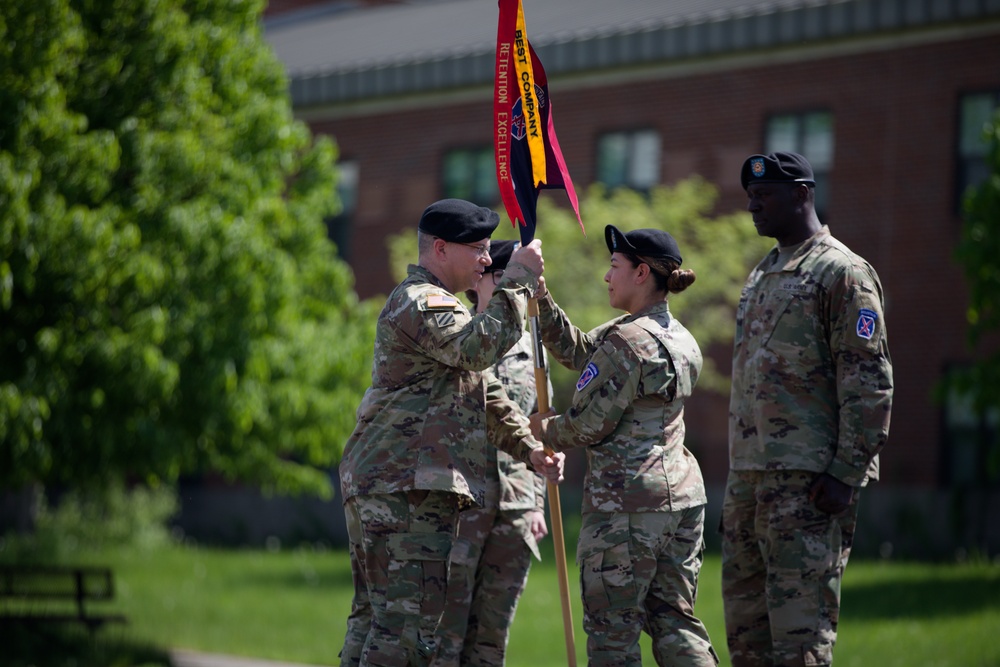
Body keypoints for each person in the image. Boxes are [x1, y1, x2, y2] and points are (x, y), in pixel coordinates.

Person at [338, 199, 565, 667]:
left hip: (398, 482)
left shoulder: (441, 307)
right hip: (405, 486)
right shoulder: (424, 301)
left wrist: (530, 451)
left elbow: (487, 394)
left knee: (377, 621)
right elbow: (480, 349)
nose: (487, 260)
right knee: (404, 629)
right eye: (479, 249)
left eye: (490, 251)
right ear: (440, 249)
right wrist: (519, 276)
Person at [722, 152, 894, 667]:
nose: (753, 205)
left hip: (808, 483)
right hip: (750, 478)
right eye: (750, 196)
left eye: (765, 195)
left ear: (802, 194)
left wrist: (847, 472)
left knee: (800, 638)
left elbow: (869, 380)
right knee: (747, 639)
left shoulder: (842, 271)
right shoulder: (764, 270)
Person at [529, 225, 719, 667]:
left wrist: (542, 429)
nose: (606, 276)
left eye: (615, 266)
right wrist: (541, 300)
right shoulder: (679, 338)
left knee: (612, 632)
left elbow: (589, 425)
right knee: (675, 620)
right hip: (682, 502)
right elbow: (580, 352)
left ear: (641, 273)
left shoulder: (627, 341)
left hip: (627, 506)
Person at [436, 239, 550, 665]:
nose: (510, 286)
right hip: (463, 502)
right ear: (478, 281)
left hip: (516, 505)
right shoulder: (455, 336)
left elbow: (539, 425)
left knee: (492, 636)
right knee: (446, 628)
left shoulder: (529, 346)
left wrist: (536, 502)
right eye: (501, 276)